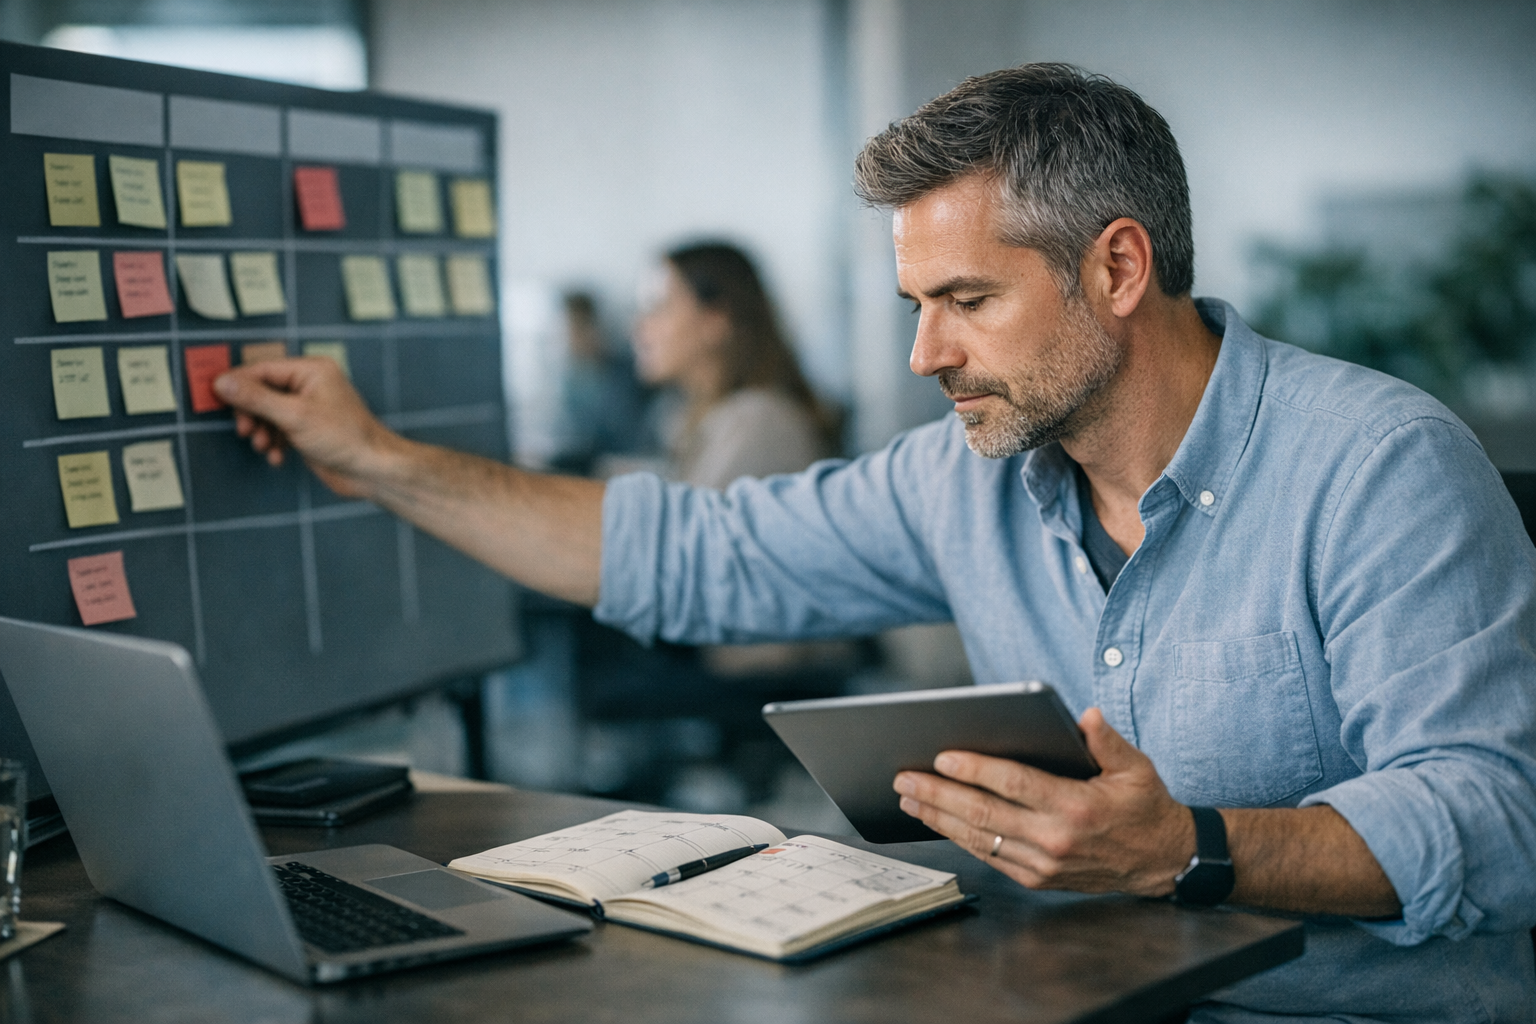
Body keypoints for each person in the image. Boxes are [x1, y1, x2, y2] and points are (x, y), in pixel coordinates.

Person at [214, 64, 1536, 1021]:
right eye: (915, 302)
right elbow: (686, 556)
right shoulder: (962, 475)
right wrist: (373, 459)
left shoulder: (1381, 467)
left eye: (966, 300)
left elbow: (1498, 818)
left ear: (1119, 271)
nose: (925, 355)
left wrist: (1186, 844)